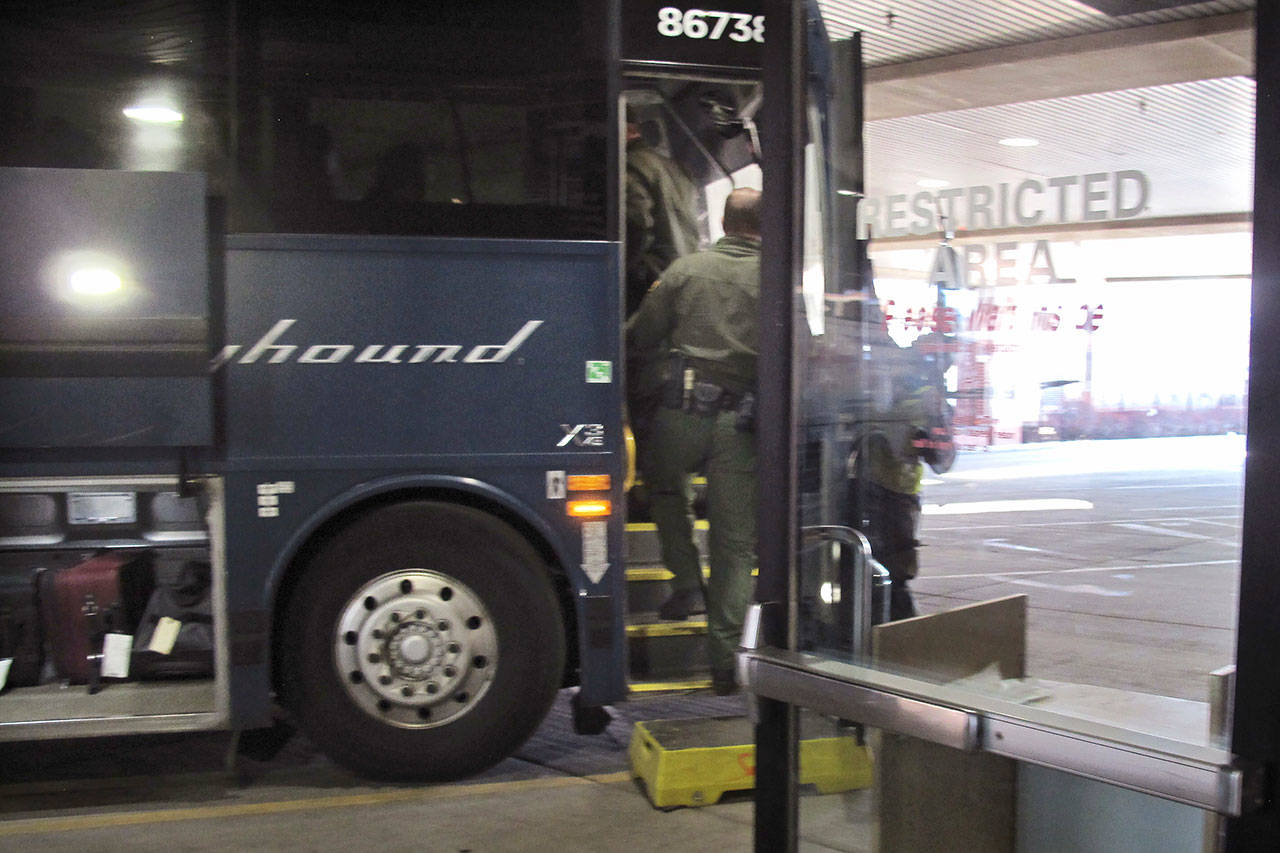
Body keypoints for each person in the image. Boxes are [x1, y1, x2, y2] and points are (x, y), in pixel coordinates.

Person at [626, 187, 761, 695]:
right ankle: (725, 663)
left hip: (682, 412)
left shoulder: (685, 270)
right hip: (742, 426)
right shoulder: (776, 278)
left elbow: (641, 336)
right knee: (733, 543)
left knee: (664, 490)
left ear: (724, 223)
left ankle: (685, 585)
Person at [848, 340, 956, 621]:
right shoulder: (907, 394)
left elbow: (941, 459)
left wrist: (931, 426)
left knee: (889, 575)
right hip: (880, 493)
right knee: (886, 573)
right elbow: (941, 459)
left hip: (891, 495)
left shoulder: (921, 398)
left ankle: (894, 627)